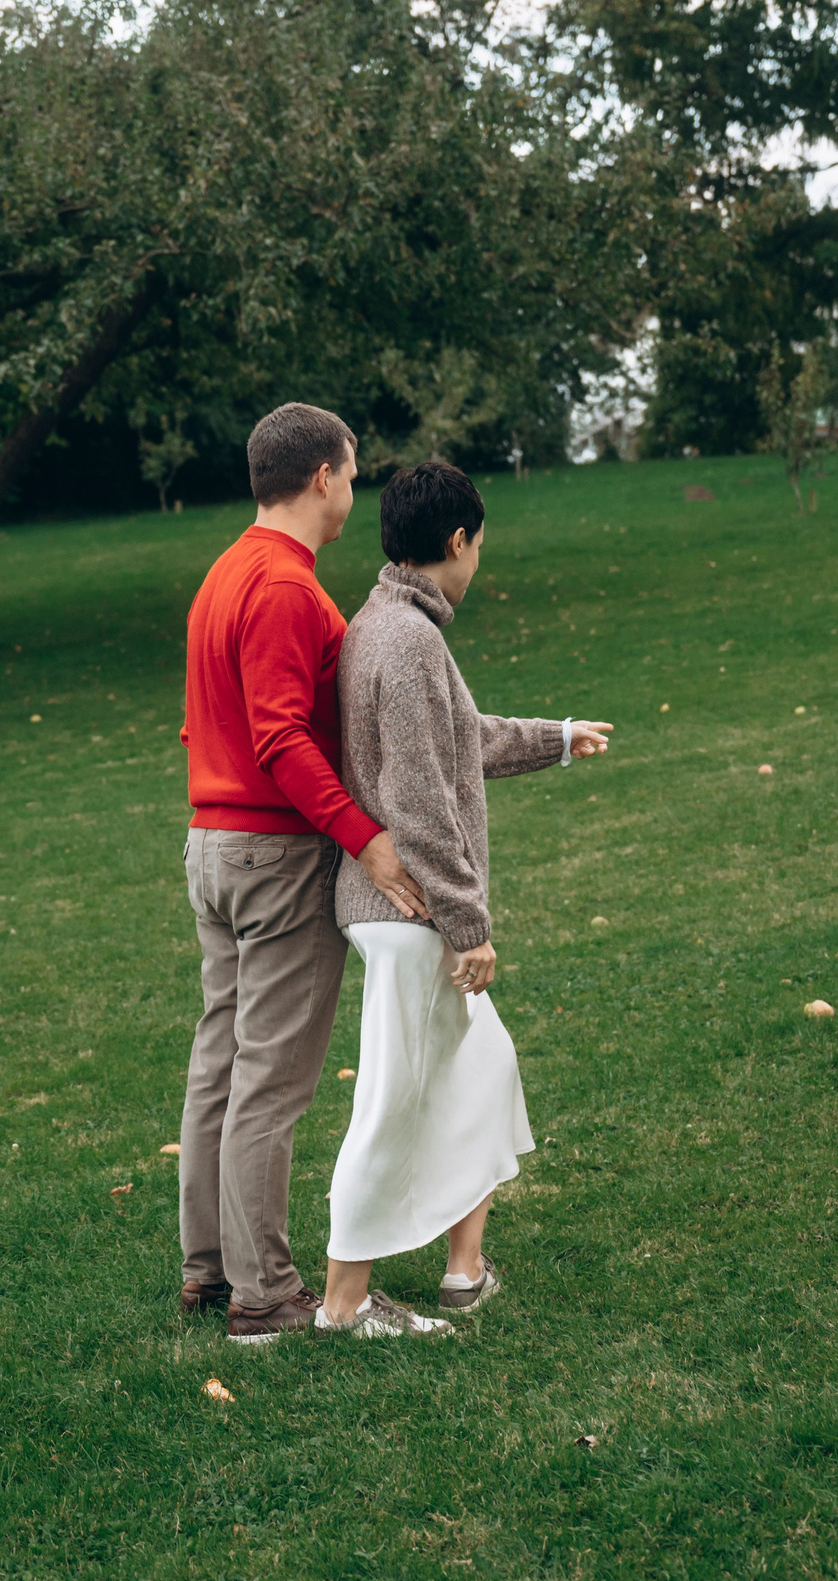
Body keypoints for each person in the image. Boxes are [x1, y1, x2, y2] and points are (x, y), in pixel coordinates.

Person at [322, 462, 612, 1338]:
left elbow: (460, 736)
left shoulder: (389, 626)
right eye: (479, 545)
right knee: (392, 1102)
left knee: (483, 1075)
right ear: (456, 542)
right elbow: (418, 797)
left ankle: (465, 1269)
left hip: (407, 914)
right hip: (411, 917)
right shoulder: (405, 643)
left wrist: (557, 739)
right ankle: (341, 1303)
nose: (478, 561)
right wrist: (467, 923)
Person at [178, 403, 429, 1346]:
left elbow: (210, 720)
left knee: (221, 1067)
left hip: (213, 844)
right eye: (353, 474)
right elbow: (280, 734)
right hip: (273, 853)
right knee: (270, 1083)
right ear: (323, 476)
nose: (355, 493)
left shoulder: (224, 574)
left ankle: (207, 1271)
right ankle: (265, 1295)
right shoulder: (283, 586)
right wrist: (364, 837)